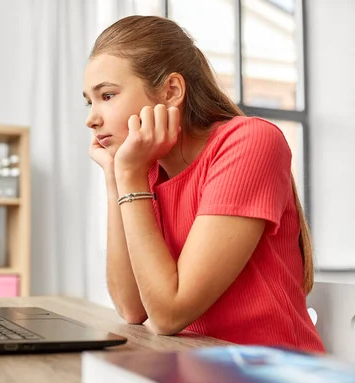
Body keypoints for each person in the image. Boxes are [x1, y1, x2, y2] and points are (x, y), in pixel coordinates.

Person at [82, 15, 324, 353]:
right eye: (89, 101)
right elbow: (132, 308)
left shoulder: (249, 143)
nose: (91, 118)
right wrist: (115, 176)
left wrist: (129, 176)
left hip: (275, 376)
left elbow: (168, 315)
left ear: (171, 91)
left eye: (107, 96)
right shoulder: (144, 172)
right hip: (194, 369)